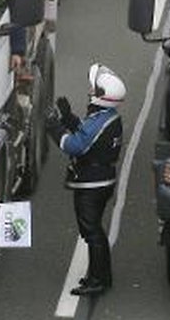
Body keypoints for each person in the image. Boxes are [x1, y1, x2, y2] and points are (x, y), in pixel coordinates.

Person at [46, 63, 125, 296]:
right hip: (101, 180)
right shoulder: (107, 117)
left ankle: (99, 280)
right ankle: (99, 275)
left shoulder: (100, 121)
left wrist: (54, 127)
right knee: (93, 230)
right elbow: (86, 134)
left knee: (92, 231)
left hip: (92, 183)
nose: (90, 92)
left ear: (102, 97)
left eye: (94, 89)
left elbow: (76, 144)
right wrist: (69, 118)